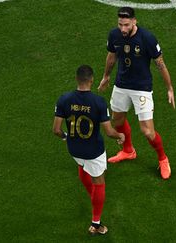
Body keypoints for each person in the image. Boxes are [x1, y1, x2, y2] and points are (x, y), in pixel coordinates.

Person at [98, 6, 175, 180]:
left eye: (126, 25)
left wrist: (169, 88)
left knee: (147, 131)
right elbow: (111, 57)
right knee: (117, 121)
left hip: (142, 88)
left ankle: (163, 158)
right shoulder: (114, 35)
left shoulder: (147, 38)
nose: (123, 29)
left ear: (134, 21)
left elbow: (160, 64)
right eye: (120, 24)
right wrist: (106, 77)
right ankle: (128, 150)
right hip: (121, 85)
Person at [53, 65, 125, 235]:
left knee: (82, 166)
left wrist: (66, 137)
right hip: (94, 152)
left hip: (74, 150)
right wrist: (120, 136)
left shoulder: (64, 99)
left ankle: (93, 199)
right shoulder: (98, 102)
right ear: (91, 80)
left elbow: (56, 130)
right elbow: (108, 131)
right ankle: (96, 224)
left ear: (77, 79)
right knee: (99, 181)